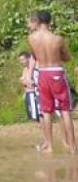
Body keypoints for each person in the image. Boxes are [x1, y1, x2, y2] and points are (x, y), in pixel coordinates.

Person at [27, 9, 75, 153]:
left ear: (38, 21)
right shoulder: (57, 39)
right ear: (50, 21)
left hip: (42, 73)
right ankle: (73, 147)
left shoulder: (31, 38)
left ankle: (49, 146)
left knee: (46, 111)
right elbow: (66, 58)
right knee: (65, 110)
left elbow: (34, 56)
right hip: (56, 73)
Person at [19, 51, 40, 122]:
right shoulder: (25, 69)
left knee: (35, 115)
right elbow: (23, 81)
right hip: (28, 93)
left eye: (22, 60)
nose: (21, 62)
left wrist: (27, 82)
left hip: (33, 93)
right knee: (30, 115)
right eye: (20, 60)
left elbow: (34, 82)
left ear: (28, 59)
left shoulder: (34, 68)